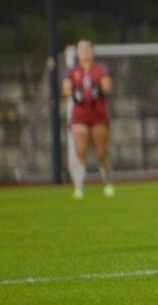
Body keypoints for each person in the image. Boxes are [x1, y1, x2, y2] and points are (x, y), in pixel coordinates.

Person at [62, 39, 115, 199]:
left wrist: (98, 91)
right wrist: (74, 94)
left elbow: (107, 86)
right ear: (77, 53)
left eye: (87, 49)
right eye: (81, 49)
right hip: (80, 116)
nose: (84, 52)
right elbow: (66, 90)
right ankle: (79, 187)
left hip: (98, 115)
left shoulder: (100, 69)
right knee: (80, 151)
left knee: (101, 153)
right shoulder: (72, 71)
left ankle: (107, 183)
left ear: (92, 51)